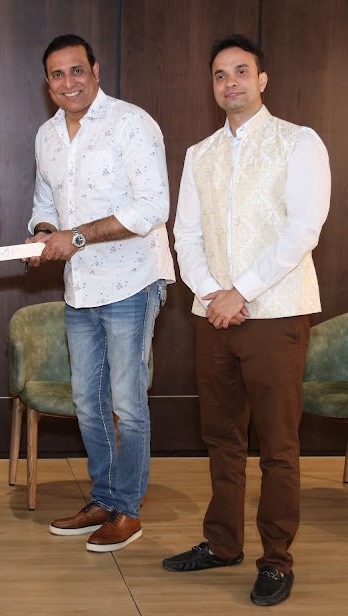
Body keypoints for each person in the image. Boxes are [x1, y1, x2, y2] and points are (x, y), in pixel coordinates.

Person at [164, 34, 331, 607]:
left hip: (275, 313)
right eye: (219, 74)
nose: (230, 82)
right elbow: (185, 234)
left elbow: (303, 230)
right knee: (221, 437)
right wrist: (213, 294)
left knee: (278, 444)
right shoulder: (199, 153)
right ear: (212, 86)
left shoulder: (299, 141)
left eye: (241, 71)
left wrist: (242, 292)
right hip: (212, 315)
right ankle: (222, 543)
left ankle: (277, 560)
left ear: (262, 80)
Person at [26, 34, 175, 553]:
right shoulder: (47, 135)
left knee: (127, 403)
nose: (68, 82)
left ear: (95, 69)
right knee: (88, 403)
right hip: (80, 286)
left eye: (76, 70)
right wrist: (44, 232)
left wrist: (75, 237)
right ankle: (104, 499)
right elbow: (45, 200)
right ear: (47, 84)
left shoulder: (132, 122)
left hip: (133, 279)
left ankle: (127, 511)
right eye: (57, 75)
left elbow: (152, 207)